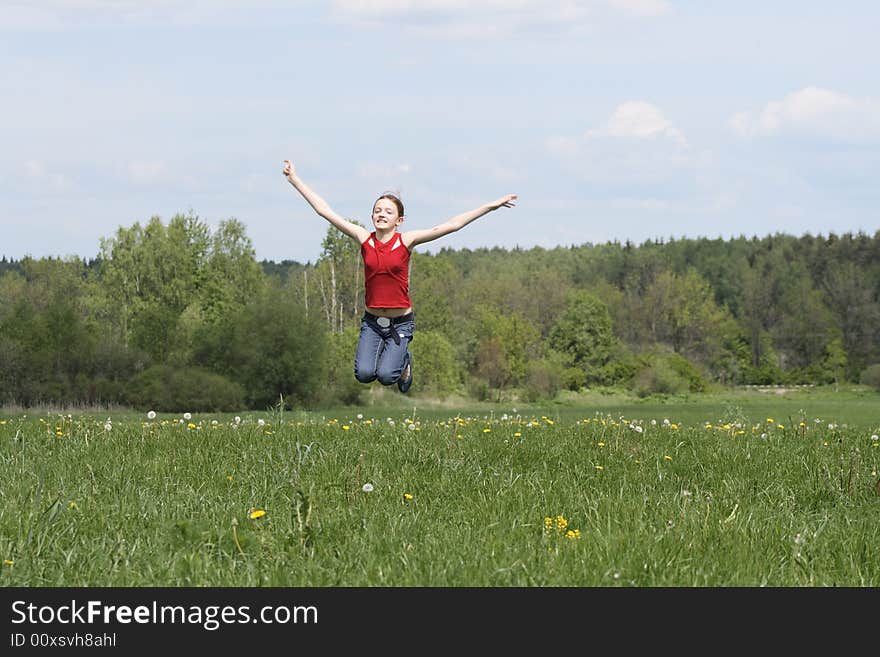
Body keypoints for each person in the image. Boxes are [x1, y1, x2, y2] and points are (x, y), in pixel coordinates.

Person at [282, 158, 517, 393]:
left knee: (386, 377)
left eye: (388, 211)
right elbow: (324, 211)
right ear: (371, 216)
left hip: (401, 323)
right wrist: (294, 179)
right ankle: (392, 359)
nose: (381, 214)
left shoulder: (406, 241)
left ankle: (404, 362)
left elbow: (452, 225)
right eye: (377, 210)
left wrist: (490, 206)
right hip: (372, 323)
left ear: (399, 220)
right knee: (363, 375)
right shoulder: (364, 238)